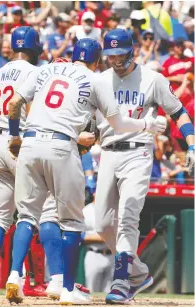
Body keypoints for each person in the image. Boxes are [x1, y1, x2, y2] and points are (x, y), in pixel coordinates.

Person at [5, 38, 165, 305]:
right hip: (60, 146)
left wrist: (13, 138)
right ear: (97, 60)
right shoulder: (97, 80)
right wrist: (147, 123)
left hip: (30, 141)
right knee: (71, 222)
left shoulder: (45, 69)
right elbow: (118, 123)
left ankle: (13, 276)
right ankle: (67, 287)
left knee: (25, 216)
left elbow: (13, 104)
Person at [94, 28, 195, 304]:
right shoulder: (100, 80)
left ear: (132, 50)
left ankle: (121, 281)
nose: (115, 60)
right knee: (102, 223)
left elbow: (178, 111)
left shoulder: (152, 78)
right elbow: (90, 123)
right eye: (110, 54)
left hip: (138, 151)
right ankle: (138, 271)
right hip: (107, 152)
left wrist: (192, 142)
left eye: (120, 54)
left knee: (128, 216)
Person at [0, 26, 42, 298]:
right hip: (22, 140)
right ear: (35, 48)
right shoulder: (35, 72)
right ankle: (16, 276)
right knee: (28, 215)